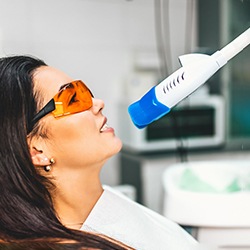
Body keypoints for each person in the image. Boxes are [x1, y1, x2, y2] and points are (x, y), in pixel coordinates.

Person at [0, 55, 201, 250]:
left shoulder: (103, 200)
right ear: (37, 151)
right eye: (73, 98)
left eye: (86, 92)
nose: (98, 103)